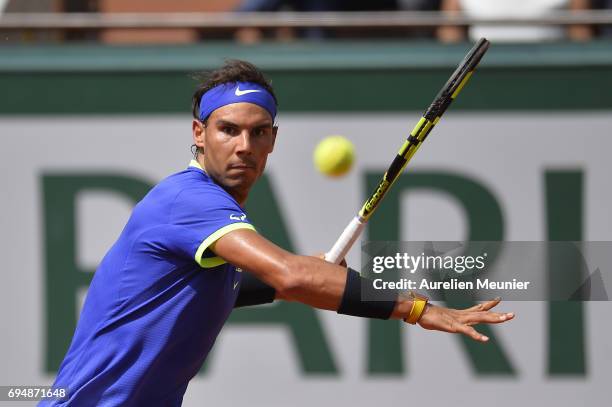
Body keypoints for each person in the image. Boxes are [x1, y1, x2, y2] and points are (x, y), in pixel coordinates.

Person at [41, 59, 514, 406]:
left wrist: (305, 274)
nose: (243, 146)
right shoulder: (188, 199)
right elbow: (287, 276)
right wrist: (416, 309)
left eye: (258, 132)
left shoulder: (208, 226)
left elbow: (253, 284)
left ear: (273, 139)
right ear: (199, 133)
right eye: (227, 130)